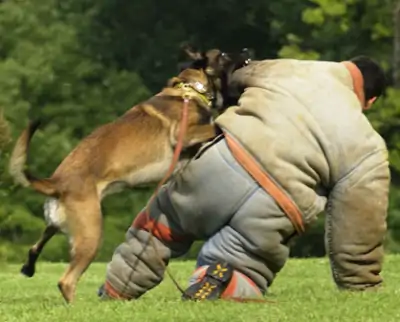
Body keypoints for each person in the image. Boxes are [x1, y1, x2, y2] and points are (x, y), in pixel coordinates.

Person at [98, 56, 390, 301]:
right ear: (370, 100)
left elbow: (234, 74)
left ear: (344, 66)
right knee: (245, 258)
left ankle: (115, 291)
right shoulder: (368, 146)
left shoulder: (292, 69)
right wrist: (359, 283)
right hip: (276, 205)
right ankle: (222, 278)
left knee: (161, 227)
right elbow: (359, 222)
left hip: (221, 163)